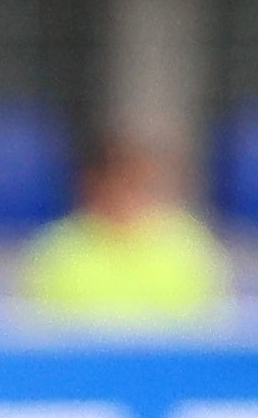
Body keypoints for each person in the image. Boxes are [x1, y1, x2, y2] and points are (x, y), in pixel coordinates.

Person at [18, 136, 234, 332]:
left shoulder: (190, 246)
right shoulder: (55, 249)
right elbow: (36, 333)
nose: (123, 195)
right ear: (91, 185)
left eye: (135, 184)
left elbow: (212, 331)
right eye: (114, 183)